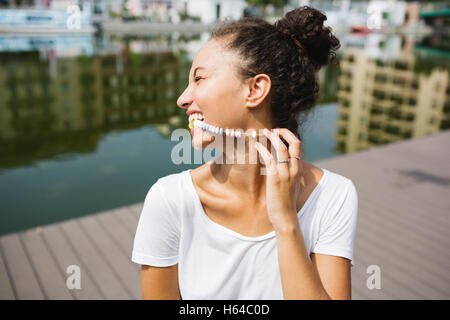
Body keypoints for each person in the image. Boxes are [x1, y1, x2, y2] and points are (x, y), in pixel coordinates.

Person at [132, 6, 358, 300]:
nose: (182, 99)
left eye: (198, 79)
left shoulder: (333, 196)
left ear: (255, 90)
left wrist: (286, 222)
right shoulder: (170, 199)